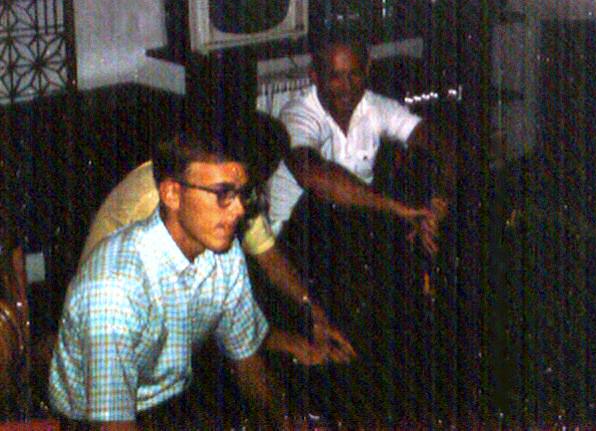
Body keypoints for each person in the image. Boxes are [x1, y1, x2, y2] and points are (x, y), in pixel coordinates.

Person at [265, 39, 456, 425]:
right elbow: (315, 178)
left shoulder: (376, 107)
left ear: (367, 71)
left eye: (354, 75)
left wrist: (438, 202)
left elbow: (441, 144)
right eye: (335, 76)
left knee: (420, 243)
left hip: (351, 236)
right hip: (294, 242)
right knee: (335, 212)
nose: (347, 87)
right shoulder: (297, 114)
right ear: (315, 76)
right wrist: (399, 209)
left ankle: (407, 379)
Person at [49, 132, 288, 430]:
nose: (239, 209)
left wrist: (284, 423)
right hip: (96, 421)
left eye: (242, 194)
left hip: (173, 400)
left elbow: (247, 360)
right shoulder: (114, 287)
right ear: (172, 194)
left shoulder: (223, 253)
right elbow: (113, 423)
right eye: (222, 193)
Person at [77, 113, 354, 367]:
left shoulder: (228, 189)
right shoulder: (170, 198)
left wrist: (313, 311)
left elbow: (269, 258)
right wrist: (284, 342)